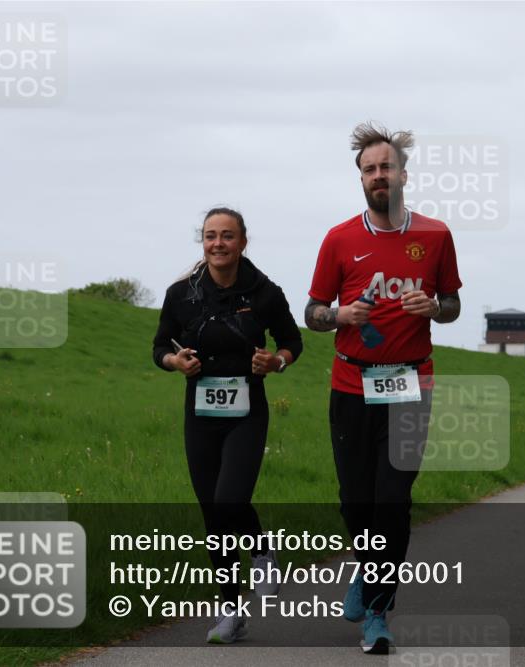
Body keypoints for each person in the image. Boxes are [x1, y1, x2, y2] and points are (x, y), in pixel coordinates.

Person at [304, 122, 462, 654]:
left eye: (386, 167)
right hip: (351, 383)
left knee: (392, 501)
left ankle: (377, 609)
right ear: (361, 179)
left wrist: (435, 307)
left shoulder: (435, 236)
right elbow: (312, 314)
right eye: (369, 169)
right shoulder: (339, 239)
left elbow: (454, 305)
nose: (378, 175)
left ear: (403, 174)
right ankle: (370, 570)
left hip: (410, 384)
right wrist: (339, 313)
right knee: (355, 503)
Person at [153, 207, 303, 644]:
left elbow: (292, 342)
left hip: (246, 412)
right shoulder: (181, 294)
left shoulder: (264, 292)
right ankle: (230, 612)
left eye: (227, 236)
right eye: (210, 236)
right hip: (199, 413)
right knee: (212, 512)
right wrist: (173, 361)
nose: (218, 243)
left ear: (243, 242)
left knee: (229, 500)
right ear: (202, 241)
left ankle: (261, 552)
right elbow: (160, 345)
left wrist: (276, 362)